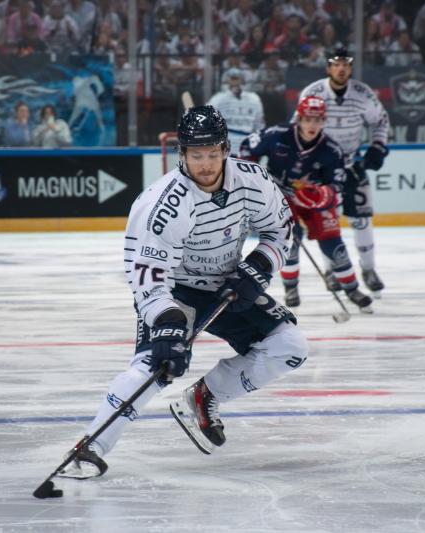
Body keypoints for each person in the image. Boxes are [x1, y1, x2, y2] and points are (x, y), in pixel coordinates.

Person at [56, 106, 307, 477]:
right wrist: (166, 319)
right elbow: (146, 275)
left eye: (211, 153)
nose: (205, 164)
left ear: (225, 149)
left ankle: (206, 396)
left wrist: (260, 266)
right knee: (156, 366)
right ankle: (90, 446)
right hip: (175, 290)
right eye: (195, 155)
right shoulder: (162, 203)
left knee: (290, 348)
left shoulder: (253, 181)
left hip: (228, 285)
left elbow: (282, 231)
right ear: (182, 154)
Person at [239, 95, 372, 311]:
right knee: (291, 239)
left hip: (312, 199)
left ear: (323, 121)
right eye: (308, 119)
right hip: (278, 194)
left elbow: (337, 185)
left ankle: (352, 288)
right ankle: (291, 287)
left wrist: (321, 194)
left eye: (318, 120)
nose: (312, 124)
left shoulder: (331, 149)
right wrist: (252, 175)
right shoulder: (277, 134)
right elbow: (246, 148)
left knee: (333, 242)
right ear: (299, 119)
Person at [296, 47, 390, 298]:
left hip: (351, 165)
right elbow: (298, 126)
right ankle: (332, 271)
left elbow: (380, 120)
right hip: (320, 169)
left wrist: (378, 146)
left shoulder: (363, 94)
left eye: (345, 65)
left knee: (362, 220)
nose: (341, 69)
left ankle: (369, 269)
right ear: (328, 68)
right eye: (336, 64)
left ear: (350, 68)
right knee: (327, 221)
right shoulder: (313, 93)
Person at [206, 68, 265, 156]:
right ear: (227, 80)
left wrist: (258, 144)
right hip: (226, 146)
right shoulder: (217, 99)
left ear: (242, 79)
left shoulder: (254, 99)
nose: (235, 82)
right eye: (232, 78)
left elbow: (259, 124)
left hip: (247, 146)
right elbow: (206, 119)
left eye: (237, 78)